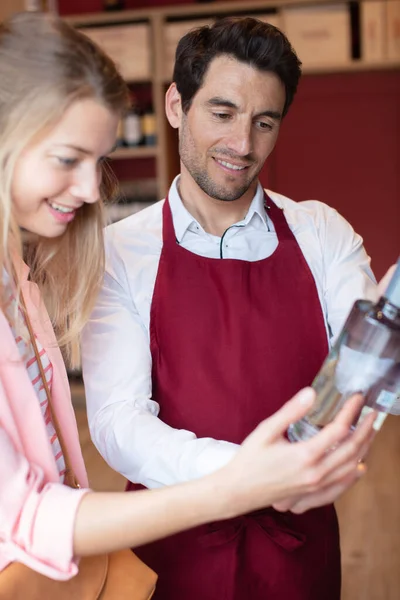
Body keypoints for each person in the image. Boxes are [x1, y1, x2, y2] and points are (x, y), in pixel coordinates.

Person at [0, 11, 379, 590]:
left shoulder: (321, 233)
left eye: (265, 123)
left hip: (299, 544)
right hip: (169, 550)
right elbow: (115, 424)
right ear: (177, 105)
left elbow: (366, 372)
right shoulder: (119, 249)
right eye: (222, 113)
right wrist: (246, 476)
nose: (242, 144)